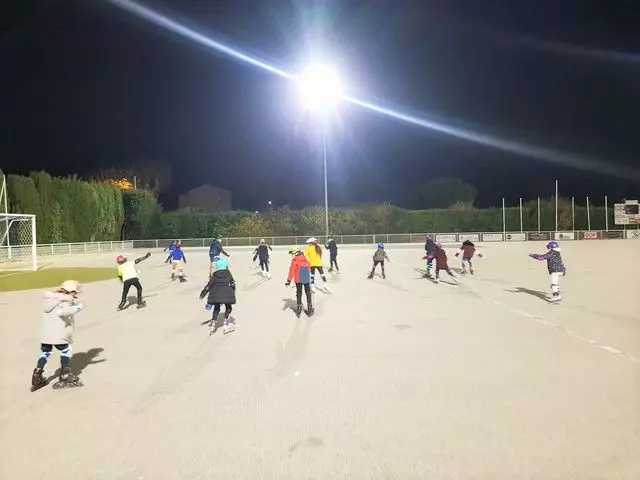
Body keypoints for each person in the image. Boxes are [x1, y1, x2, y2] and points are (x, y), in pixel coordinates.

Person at [31, 280, 85, 391]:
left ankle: (37, 375)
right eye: (75, 292)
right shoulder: (64, 302)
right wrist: (79, 307)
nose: (76, 295)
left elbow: (69, 301)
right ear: (70, 291)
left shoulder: (52, 298)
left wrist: (74, 301)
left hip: (46, 334)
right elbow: (63, 312)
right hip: (58, 334)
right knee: (67, 350)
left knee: (45, 352)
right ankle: (65, 374)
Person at [200, 257, 236, 334]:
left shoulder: (215, 275)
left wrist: (203, 294)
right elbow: (232, 284)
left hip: (216, 294)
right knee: (228, 307)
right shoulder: (228, 273)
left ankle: (213, 323)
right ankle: (225, 323)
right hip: (227, 294)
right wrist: (232, 292)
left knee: (216, 308)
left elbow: (209, 285)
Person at [286, 246, 314, 317]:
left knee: (299, 292)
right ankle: (310, 308)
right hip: (306, 279)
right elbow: (309, 269)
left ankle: (299, 308)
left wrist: (288, 281)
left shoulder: (295, 261)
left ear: (297, 253)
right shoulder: (306, 260)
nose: (292, 255)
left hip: (298, 279)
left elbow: (291, 271)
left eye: (292, 254)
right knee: (308, 292)